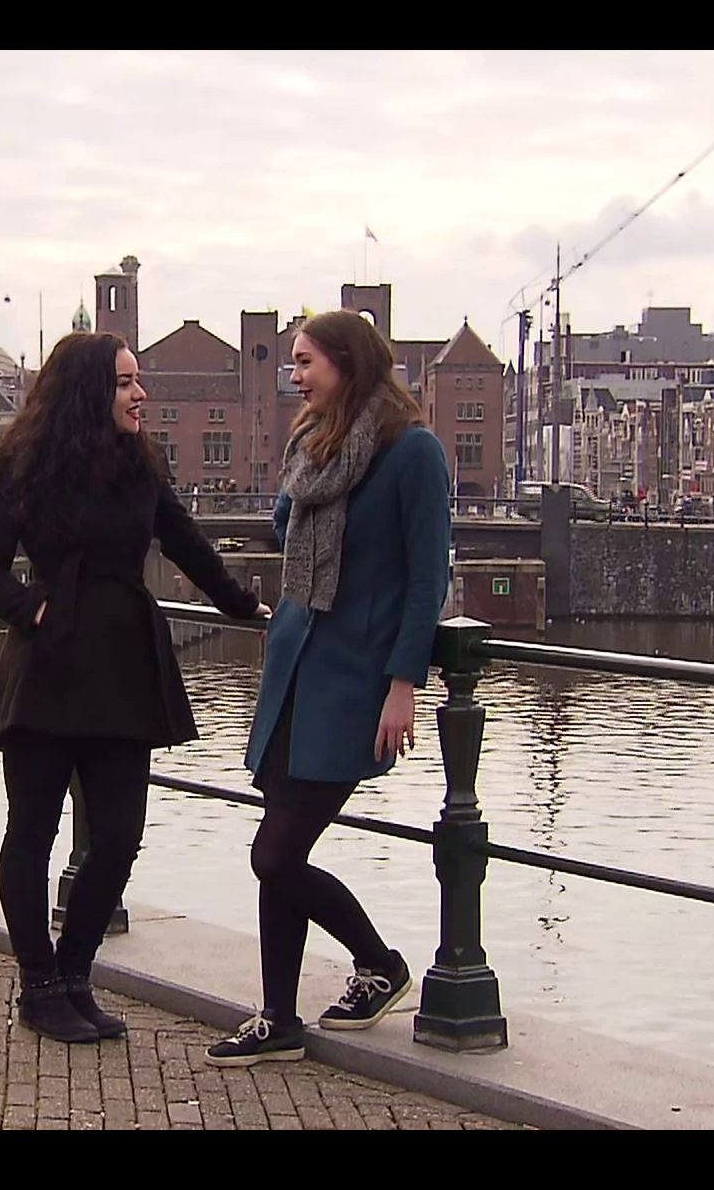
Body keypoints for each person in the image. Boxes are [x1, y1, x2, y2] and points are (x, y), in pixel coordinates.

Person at [0, 330, 270, 1044]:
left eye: (138, 380)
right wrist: (31, 607)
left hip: (123, 667)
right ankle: (39, 985)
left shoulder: (139, 465)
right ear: (88, 392)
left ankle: (75, 973)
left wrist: (243, 605)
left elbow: (185, 540)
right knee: (32, 832)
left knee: (120, 835)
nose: (141, 394)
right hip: (48, 667)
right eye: (126, 382)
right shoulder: (28, 468)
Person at [205, 309, 450, 1067]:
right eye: (292, 362)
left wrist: (404, 683)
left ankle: (379, 963)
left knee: (275, 855)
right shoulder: (313, 442)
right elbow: (286, 529)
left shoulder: (411, 452)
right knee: (278, 846)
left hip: (353, 677)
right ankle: (278, 1018)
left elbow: (427, 578)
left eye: (306, 361)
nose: (296, 376)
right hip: (293, 666)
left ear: (349, 362)